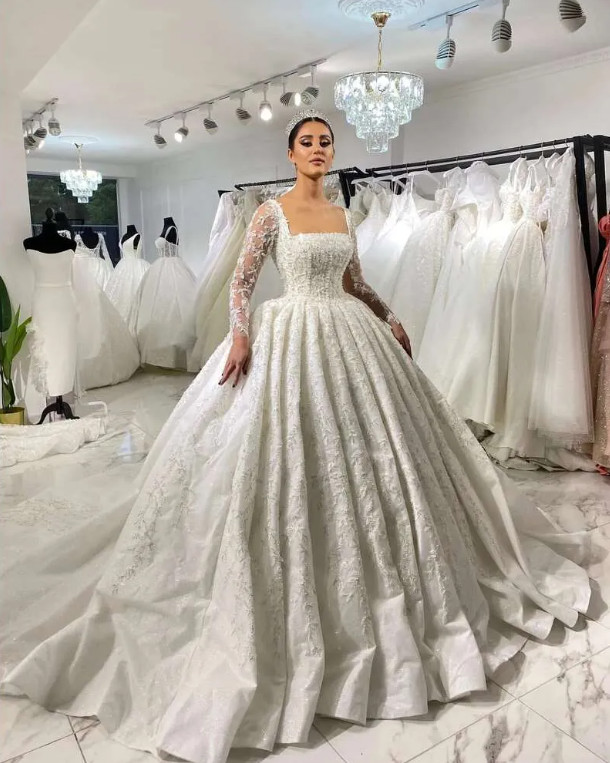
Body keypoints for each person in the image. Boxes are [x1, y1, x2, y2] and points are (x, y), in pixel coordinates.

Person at [0, 110, 590, 763]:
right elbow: (242, 284)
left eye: (325, 142)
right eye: (307, 142)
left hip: (350, 334)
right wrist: (241, 334)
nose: (317, 149)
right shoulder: (270, 214)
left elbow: (354, 282)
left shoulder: (340, 215)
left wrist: (390, 316)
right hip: (288, 337)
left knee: (380, 457)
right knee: (278, 458)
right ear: (291, 152)